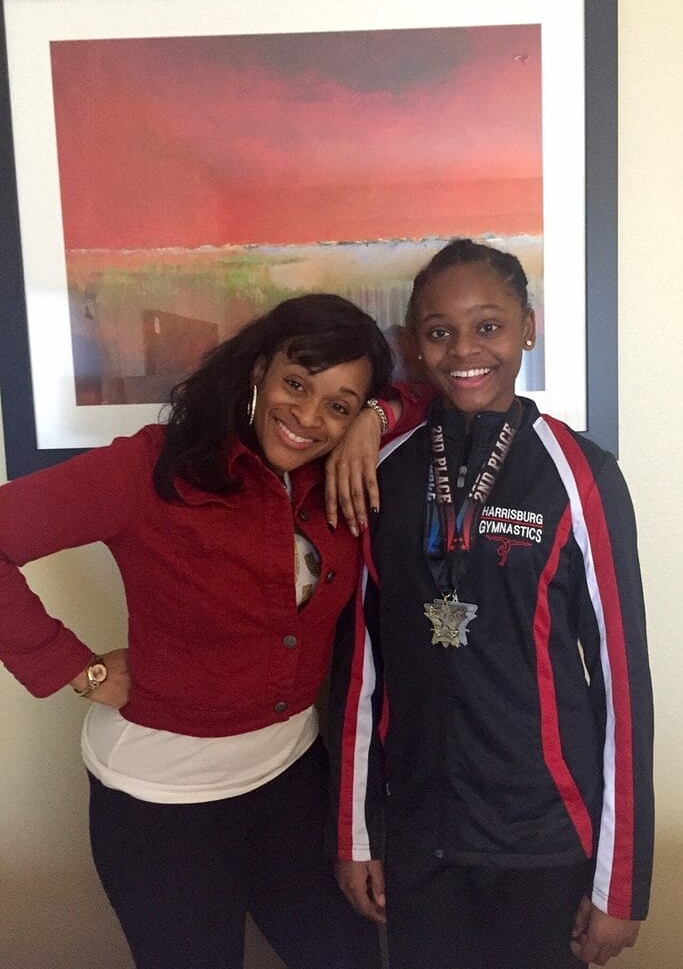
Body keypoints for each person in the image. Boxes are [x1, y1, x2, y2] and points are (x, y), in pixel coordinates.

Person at [0, 292, 418, 969]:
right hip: (162, 805)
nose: (309, 417)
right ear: (259, 368)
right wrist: (78, 667)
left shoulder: (332, 477)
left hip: (290, 780)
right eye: (296, 383)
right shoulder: (151, 468)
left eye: (338, 405)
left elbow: (424, 392)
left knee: (346, 958)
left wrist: (378, 417)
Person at [329, 239, 654, 969]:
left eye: (488, 325)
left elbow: (622, 685)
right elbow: (357, 674)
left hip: (542, 842)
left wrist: (620, 881)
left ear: (527, 328)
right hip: (417, 839)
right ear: (416, 345)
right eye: (439, 332)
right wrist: (357, 836)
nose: (464, 350)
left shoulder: (581, 474)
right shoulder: (384, 471)